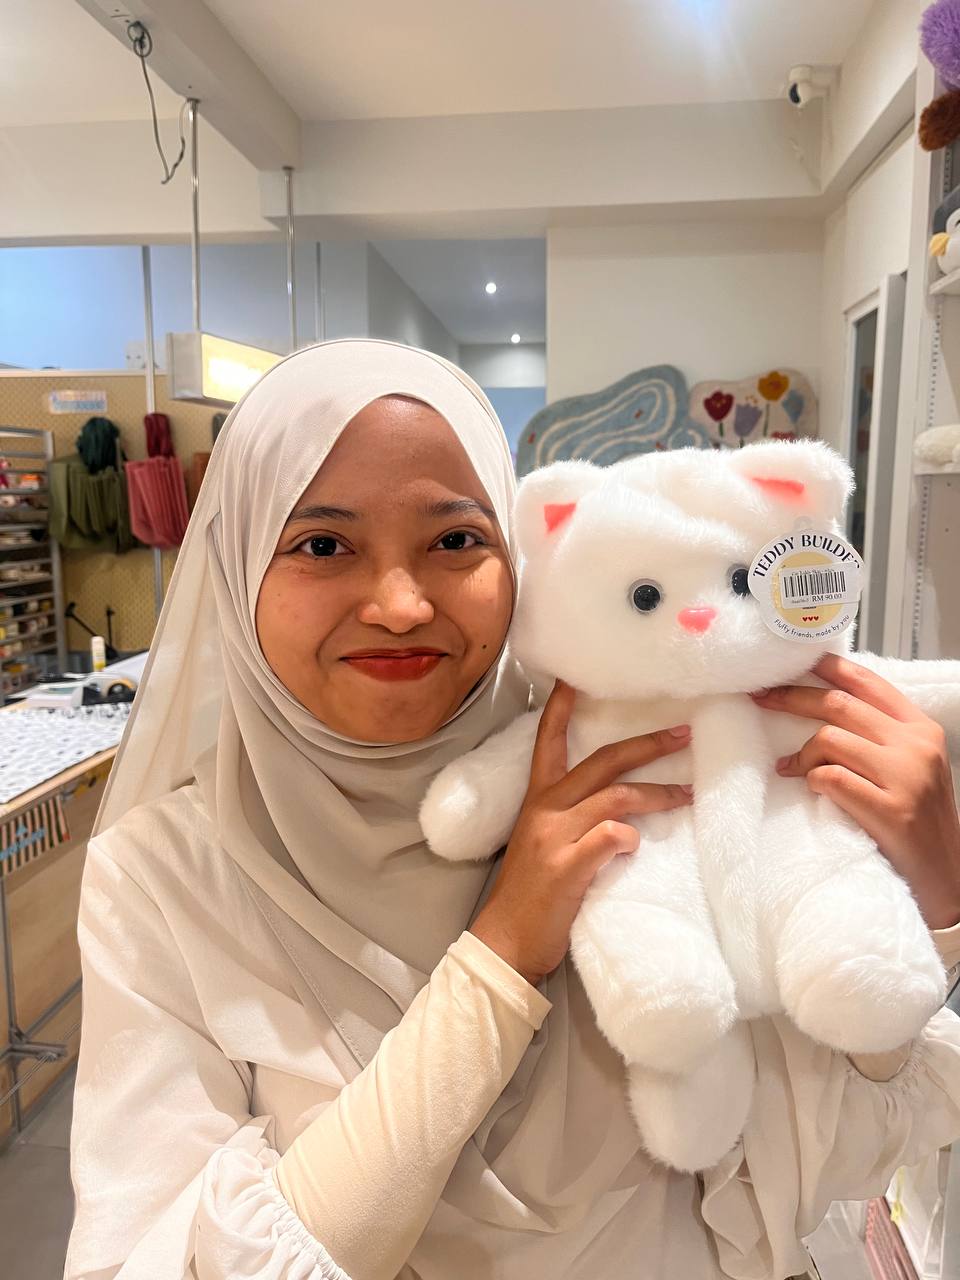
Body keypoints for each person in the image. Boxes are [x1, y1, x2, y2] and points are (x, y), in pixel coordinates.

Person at [64, 339, 960, 1280]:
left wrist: (934, 903)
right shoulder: (162, 881)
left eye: (456, 541)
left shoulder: (634, 774)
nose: (401, 604)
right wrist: (500, 954)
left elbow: (838, 1150)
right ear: (239, 566)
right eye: (321, 545)